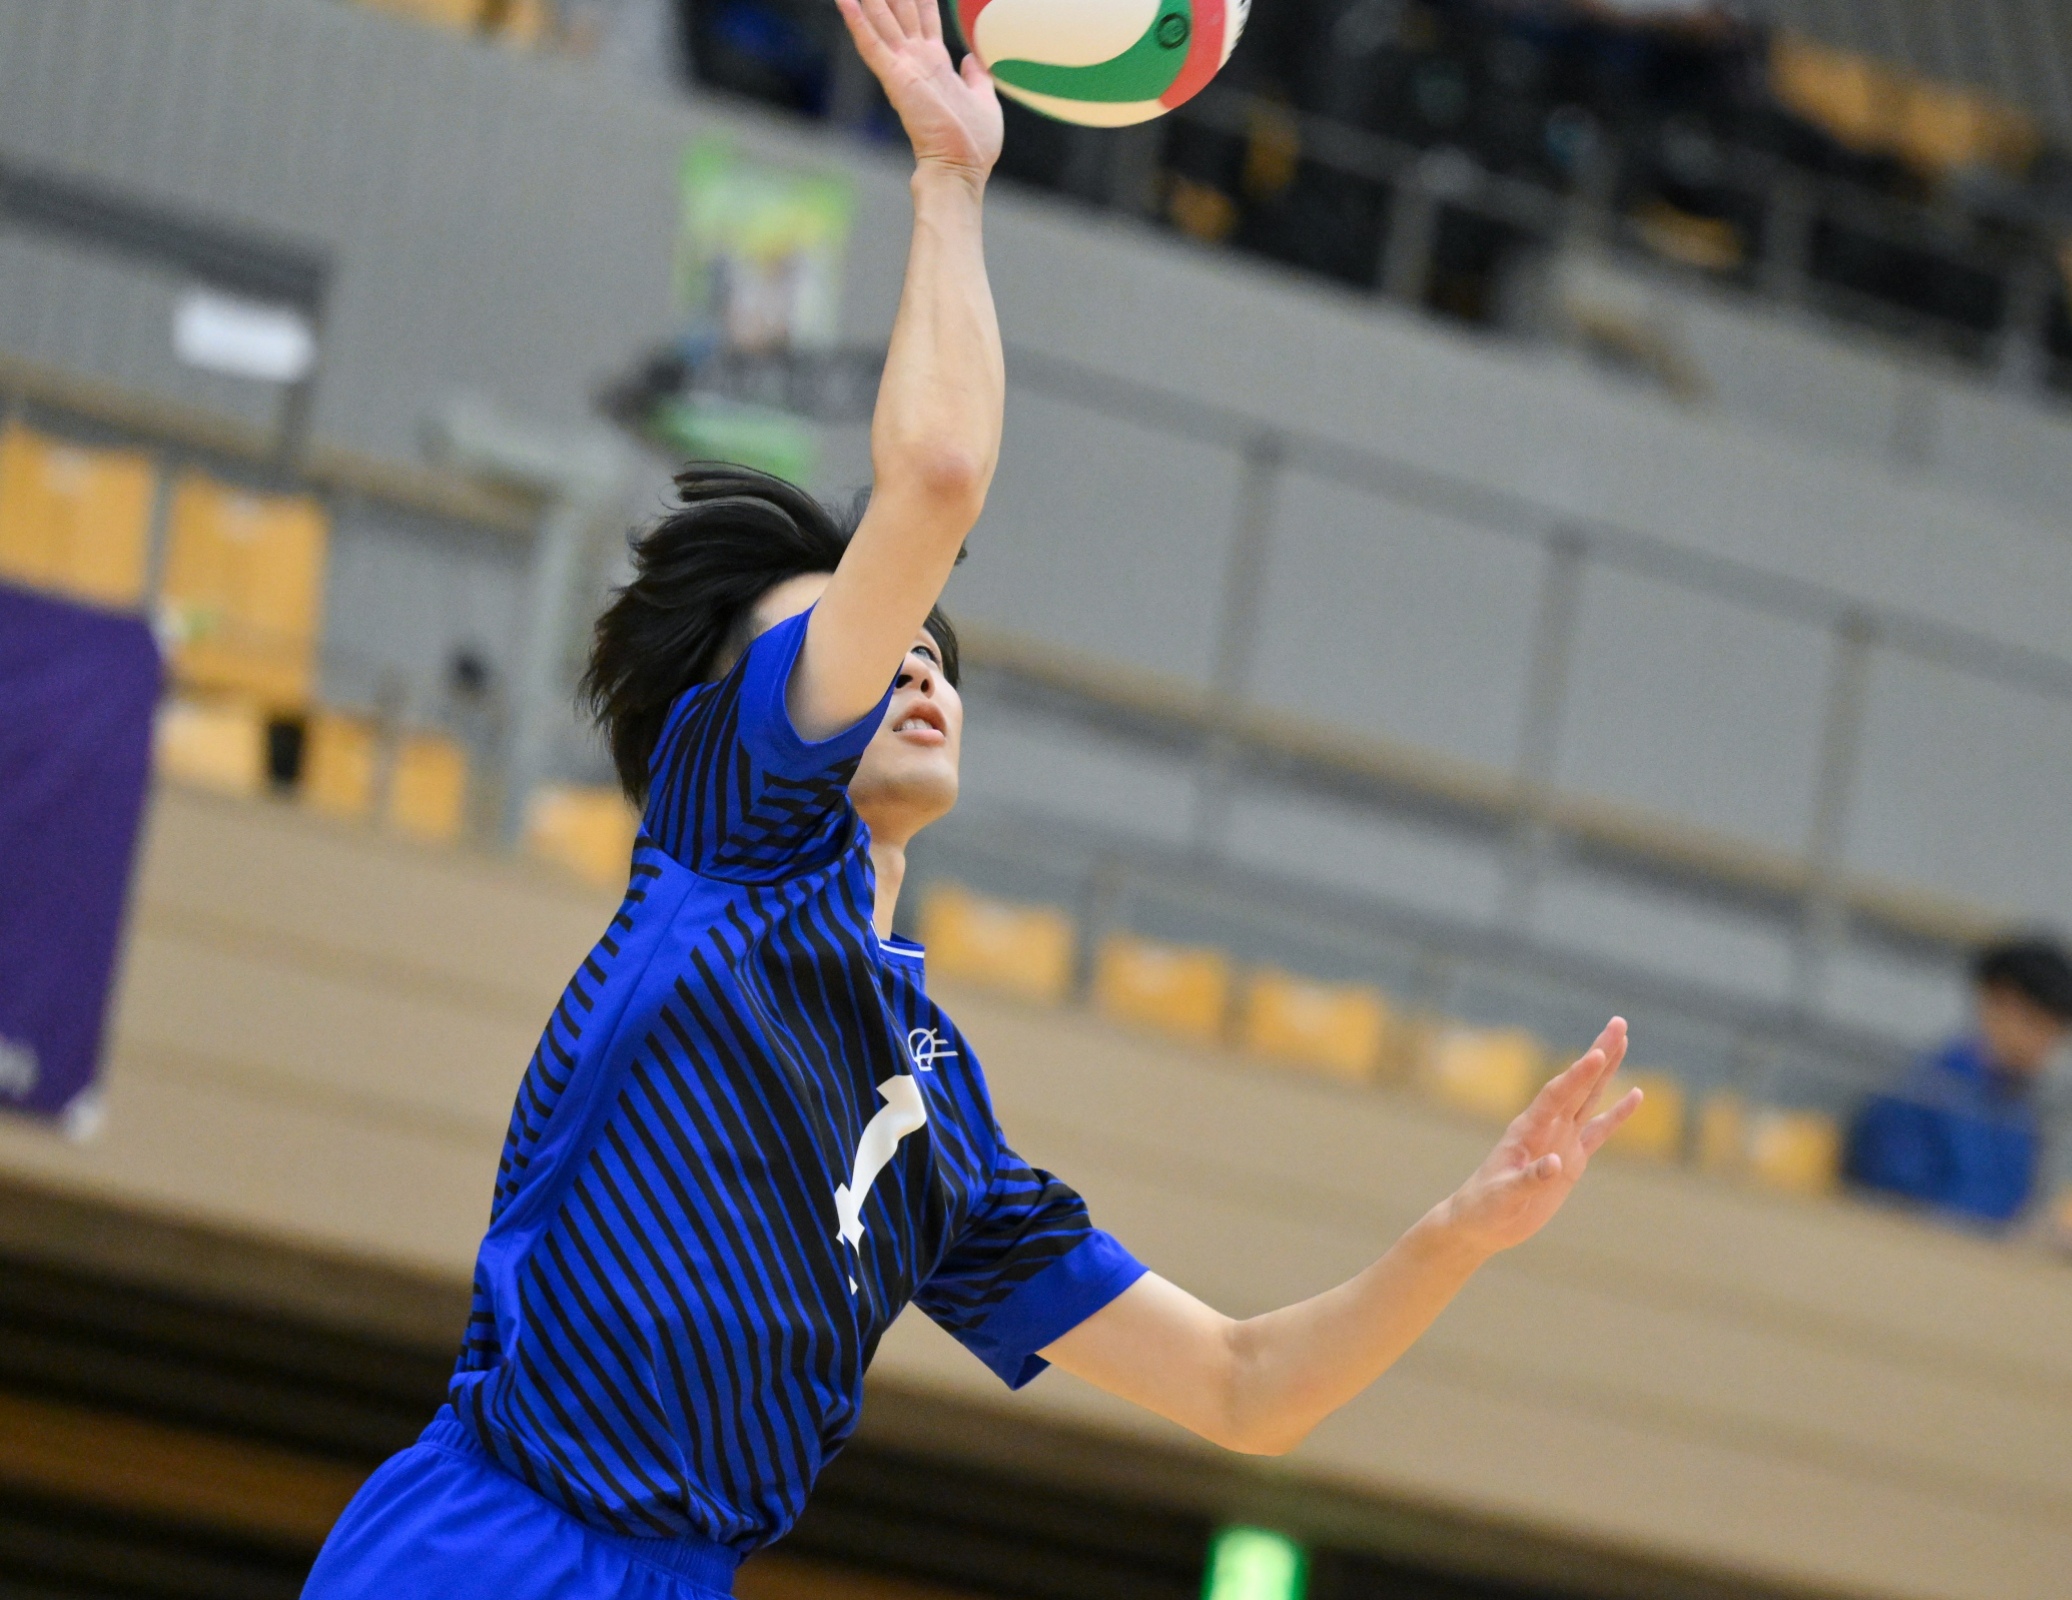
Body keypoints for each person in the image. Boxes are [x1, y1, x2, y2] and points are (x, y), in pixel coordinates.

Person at [300, 2, 1643, 1593]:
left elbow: (1243, 1387)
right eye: (874, 642)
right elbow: (933, 478)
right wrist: (947, 178)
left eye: (933, 649)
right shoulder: (730, 841)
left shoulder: (929, 1112)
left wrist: (1458, 1234)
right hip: (488, 1540)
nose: (917, 663)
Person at [1843, 935, 2072, 1226]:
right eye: (2036, 1025)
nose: (2044, 1048)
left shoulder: (2023, 1115)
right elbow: (1893, 1204)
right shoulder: (1916, 1095)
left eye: (2056, 1037)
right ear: (1999, 1001)